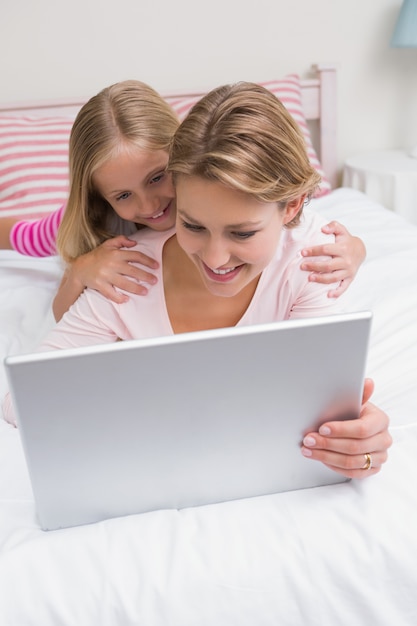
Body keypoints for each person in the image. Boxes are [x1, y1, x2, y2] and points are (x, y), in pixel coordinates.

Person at [3, 81, 391, 479]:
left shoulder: (312, 253)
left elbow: (319, 406)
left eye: (242, 232)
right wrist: (78, 271)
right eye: (193, 225)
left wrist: (352, 442)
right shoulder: (116, 255)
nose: (151, 207)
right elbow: (29, 389)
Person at [0, 80, 366, 323]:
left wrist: (357, 250)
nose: (149, 205)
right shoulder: (99, 220)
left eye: (158, 177)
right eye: (123, 195)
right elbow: (58, 308)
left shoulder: (228, 191)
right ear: (102, 197)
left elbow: (304, 219)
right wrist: (79, 269)